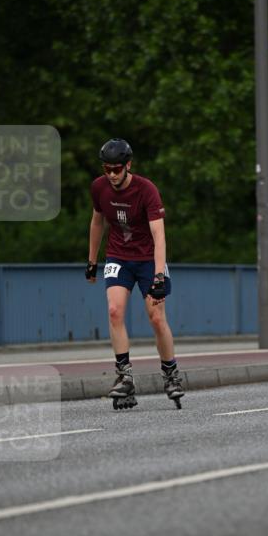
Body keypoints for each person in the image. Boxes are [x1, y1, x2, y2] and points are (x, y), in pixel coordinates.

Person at [85, 138, 184, 407]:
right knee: (114, 311)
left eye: (117, 169)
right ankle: (124, 377)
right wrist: (92, 261)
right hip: (118, 256)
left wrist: (159, 276)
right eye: (108, 169)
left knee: (155, 317)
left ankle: (171, 374)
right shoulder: (99, 188)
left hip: (149, 259)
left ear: (128, 166)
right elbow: (97, 223)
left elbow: (159, 236)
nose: (113, 175)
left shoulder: (146, 190)